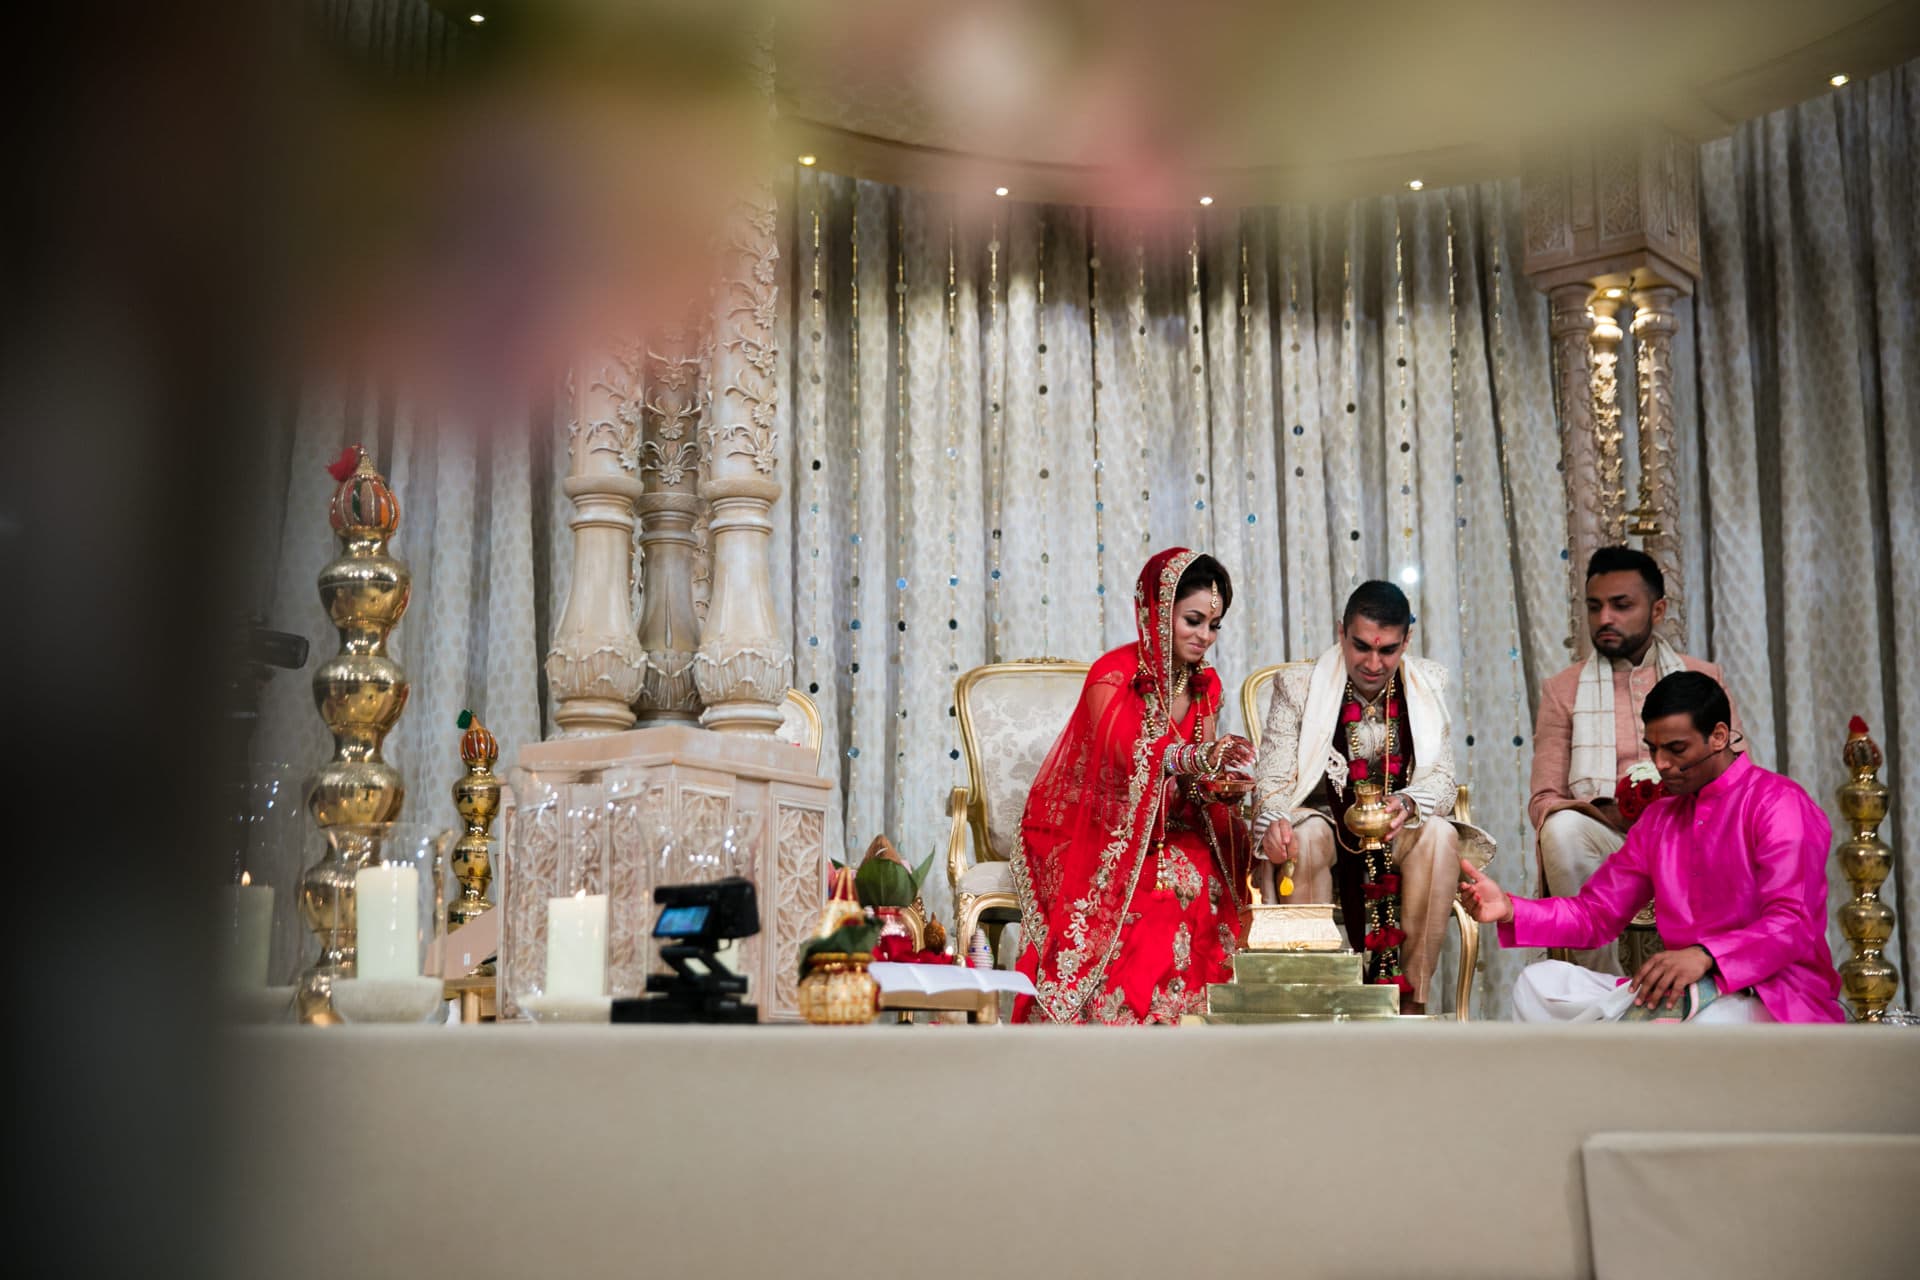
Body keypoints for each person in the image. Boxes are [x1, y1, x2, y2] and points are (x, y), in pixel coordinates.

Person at [1461, 670, 1844, 1023]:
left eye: (1676, 749)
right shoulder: (1660, 819)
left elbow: (1792, 924)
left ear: (1719, 736)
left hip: (1770, 990)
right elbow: (1595, 915)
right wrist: (1511, 909)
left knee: (1701, 1028)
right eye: (1654, 749)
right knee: (1538, 984)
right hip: (1683, 988)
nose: (1661, 764)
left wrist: (1708, 956)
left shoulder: (1778, 804)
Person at [1011, 548, 1256, 1024]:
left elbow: (1191, 784)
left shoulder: (1207, 685)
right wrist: (1200, 757)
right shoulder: (1112, 676)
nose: (1205, 636)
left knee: (1207, 869)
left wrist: (1220, 784)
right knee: (1159, 890)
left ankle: (1196, 1021)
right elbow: (1132, 758)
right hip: (1100, 830)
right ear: (1157, 611)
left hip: (1165, 828)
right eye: (1193, 620)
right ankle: (1127, 1023)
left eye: (1214, 625)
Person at [1249, 581, 1494, 1014]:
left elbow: (1441, 778)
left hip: (1397, 828)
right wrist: (1274, 820)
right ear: (1341, 632)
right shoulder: (1299, 687)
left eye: (1388, 650)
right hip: (1328, 829)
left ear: (1407, 641)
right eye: (1361, 646)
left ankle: (1410, 1002)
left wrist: (1410, 804)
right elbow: (1272, 778)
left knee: (1438, 836)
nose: (1374, 663)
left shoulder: (1426, 684)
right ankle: (1314, 1000)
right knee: (1300, 841)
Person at [1529, 546, 1743, 973]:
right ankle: (1599, 985)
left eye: (1621, 605)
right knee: (1560, 828)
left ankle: (1707, 979)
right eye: (1595, 606)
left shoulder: (1703, 680)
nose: (1605, 618)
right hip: (1609, 845)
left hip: (1690, 841)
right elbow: (1544, 799)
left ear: (1657, 609)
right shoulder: (1563, 690)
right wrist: (1607, 812)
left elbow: (1737, 781)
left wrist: (1671, 808)